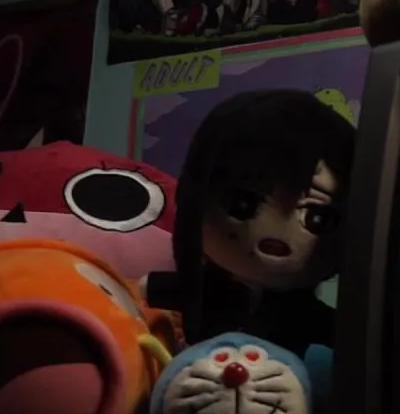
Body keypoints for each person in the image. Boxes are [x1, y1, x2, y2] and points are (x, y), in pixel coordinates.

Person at [143, 89, 355, 358]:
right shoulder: (201, 291)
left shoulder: (308, 317)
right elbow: (131, 292)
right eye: (243, 203)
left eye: (317, 218)